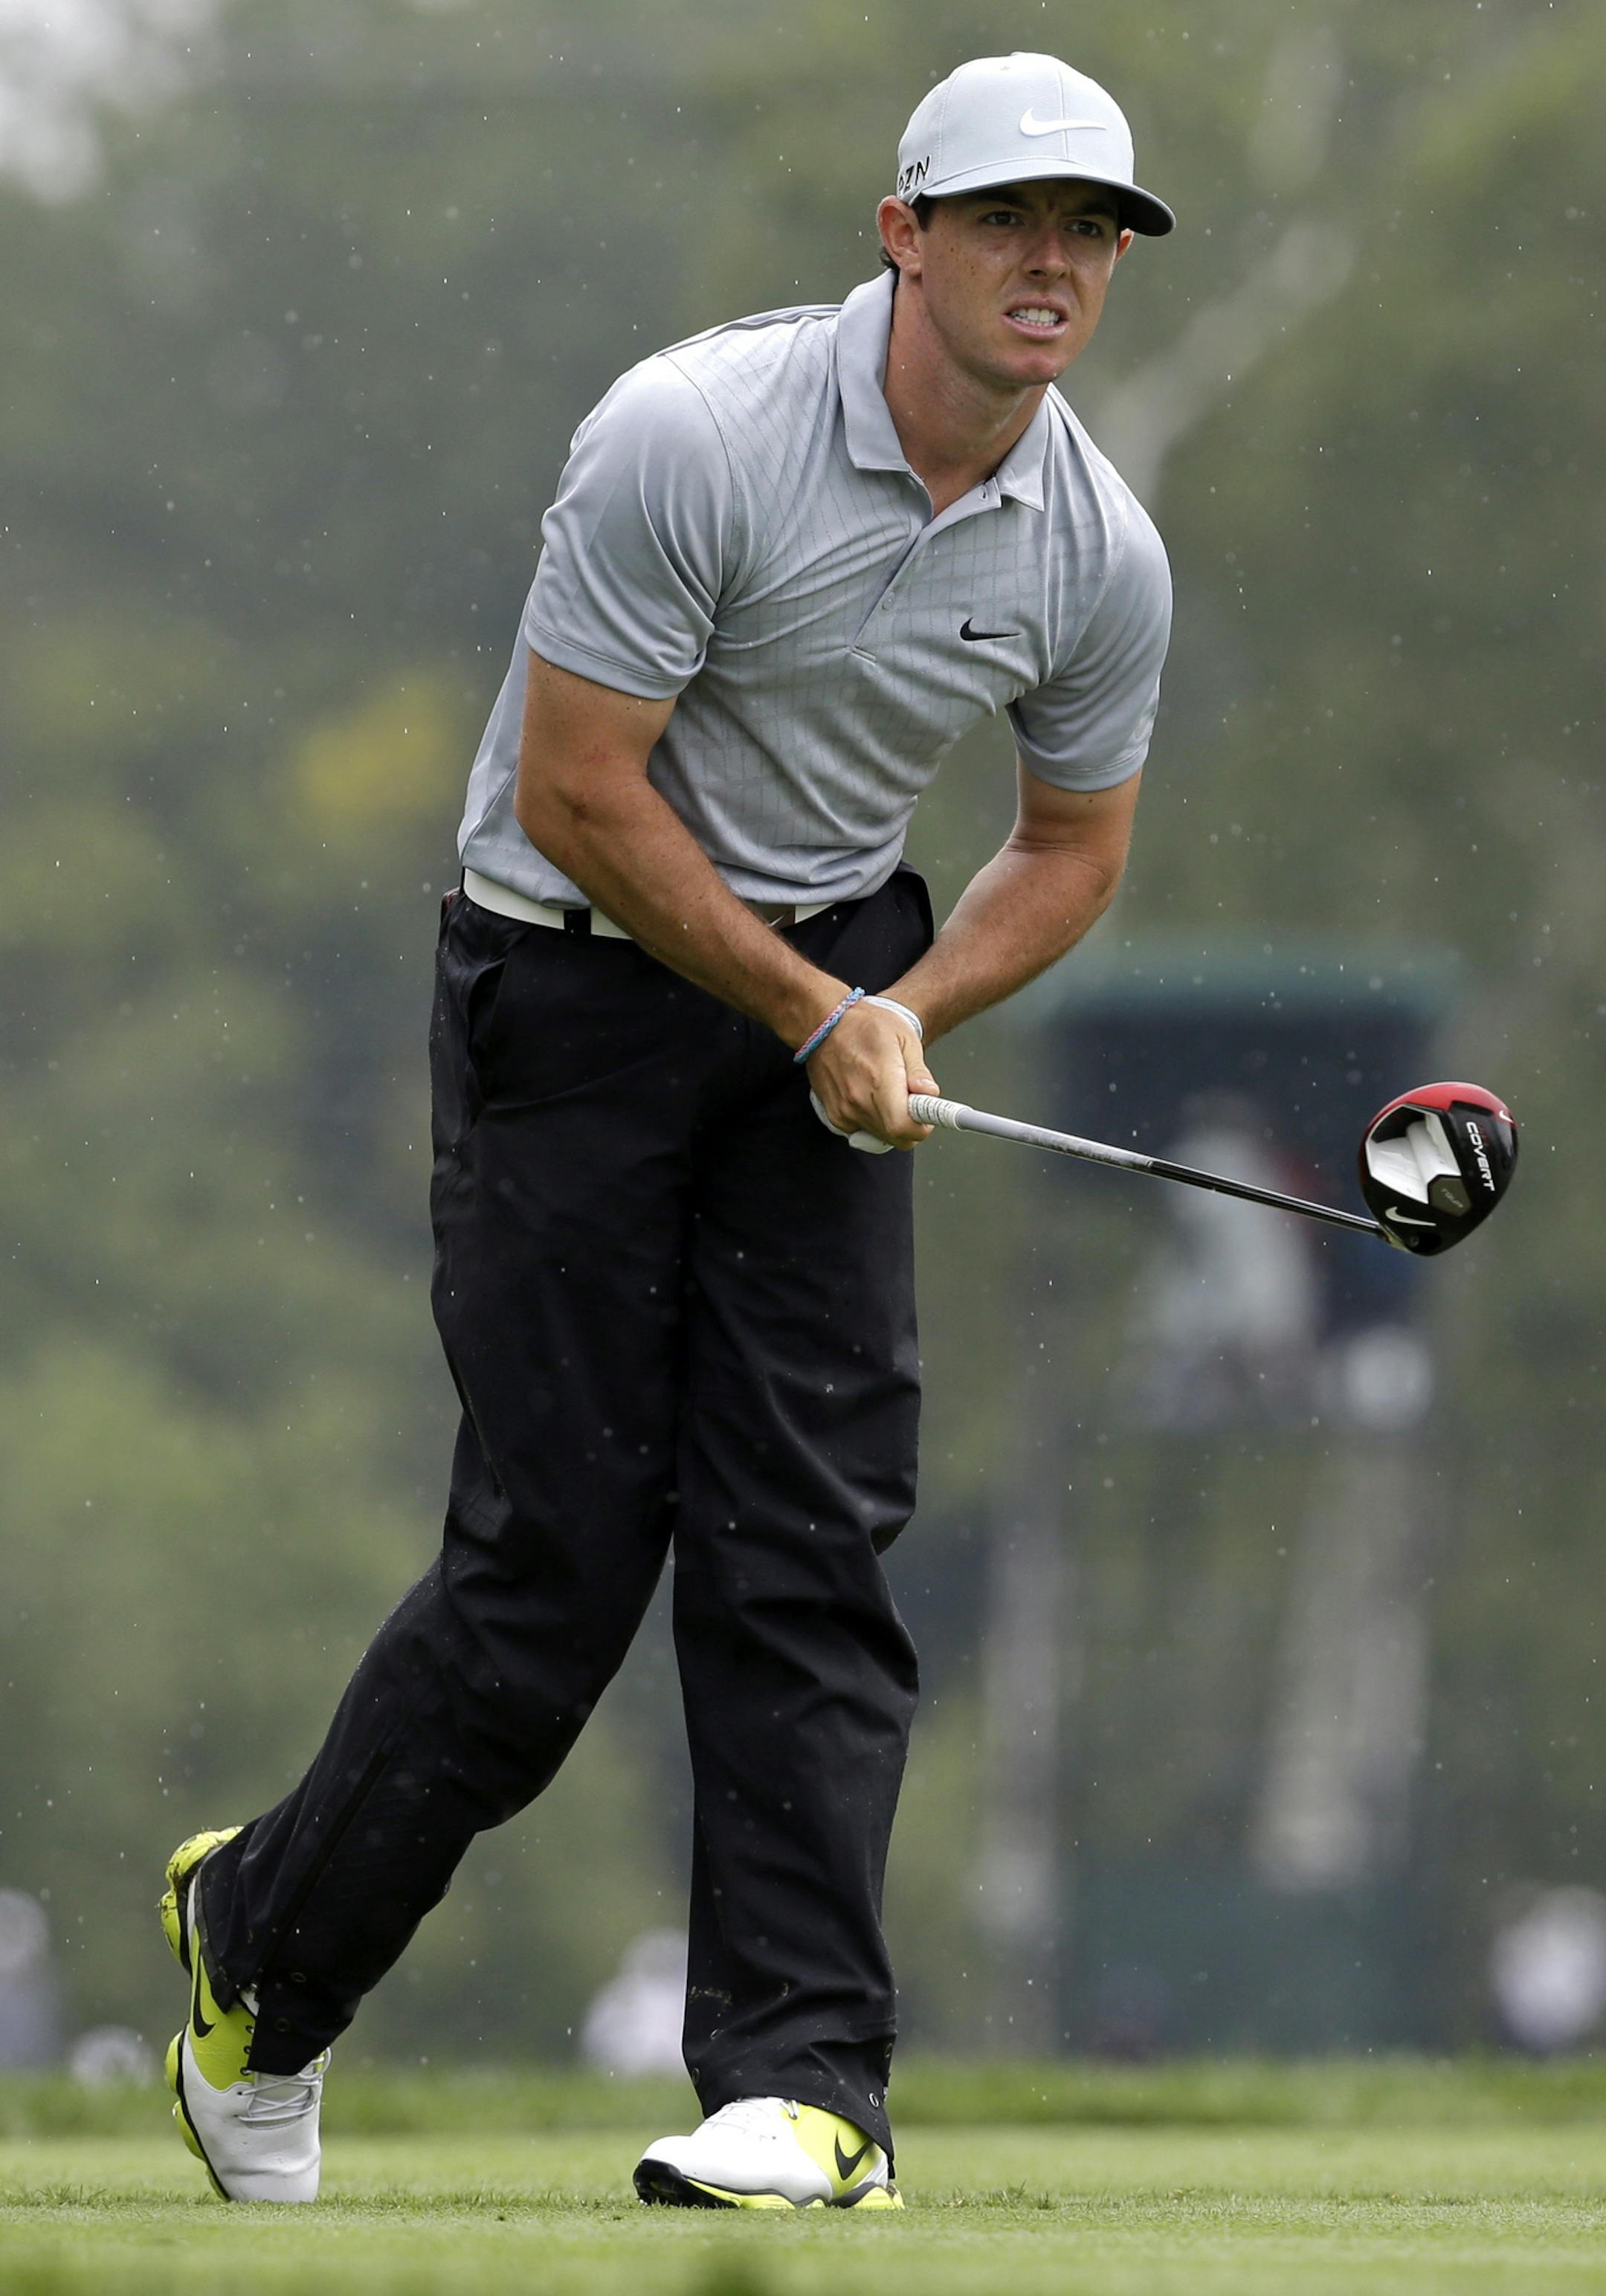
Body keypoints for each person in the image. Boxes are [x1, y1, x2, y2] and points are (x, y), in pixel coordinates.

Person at [158, 49, 1175, 2210]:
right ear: (904, 234)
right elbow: (578, 794)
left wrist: (897, 1009)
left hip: (831, 981)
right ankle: (260, 1947)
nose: (1054, 266)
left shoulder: (1098, 544)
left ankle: (810, 2090)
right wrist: (818, 1010)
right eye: (1011, 220)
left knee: (812, 1545)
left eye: (1090, 231)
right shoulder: (689, 437)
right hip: (569, 987)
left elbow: (1071, 846)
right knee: (552, 1579)